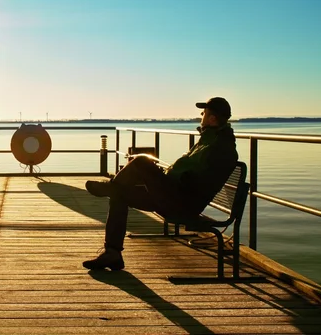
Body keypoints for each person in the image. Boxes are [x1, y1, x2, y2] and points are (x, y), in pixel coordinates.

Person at [82, 97, 238, 270]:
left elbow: (199, 180)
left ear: (212, 118)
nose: (201, 115)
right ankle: (112, 254)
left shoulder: (220, 147)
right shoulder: (208, 140)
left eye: (204, 113)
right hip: (174, 194)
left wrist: (163, 179)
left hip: (182, 202)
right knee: (119, 194)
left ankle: (111, 186)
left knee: (141, 161)